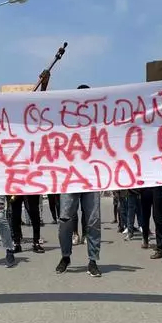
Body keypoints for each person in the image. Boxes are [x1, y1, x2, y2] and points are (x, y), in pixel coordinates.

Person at [56, 84, 102, 278]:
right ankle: (65, 256)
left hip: (92, 179)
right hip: (70, 178)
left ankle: (92, 260)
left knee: (93, 221)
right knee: (65, 219)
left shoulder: (99, 123)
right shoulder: (65, 122)